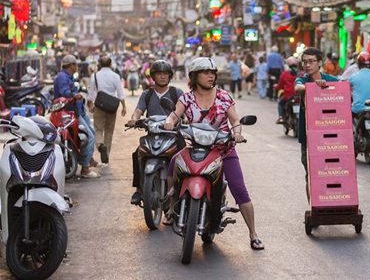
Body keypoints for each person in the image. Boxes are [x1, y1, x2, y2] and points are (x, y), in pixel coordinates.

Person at [163, 57, 264, 250]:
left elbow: (235, 120)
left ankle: (253, 234)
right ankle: (170, 207)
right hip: (195, 150)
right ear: (194, 76)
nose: (211, 76)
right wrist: (169, 121)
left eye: (212, 73)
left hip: (224, 151)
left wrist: (237, 134)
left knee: (240, 190)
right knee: (173, 164)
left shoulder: (224, 96)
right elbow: (175, 114)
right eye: (205, 72)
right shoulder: (187, 97)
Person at [126, 60, 183, 205]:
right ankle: (139, 189)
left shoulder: (176, 93)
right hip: (153, 135)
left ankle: (183, 190)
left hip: (174, 135)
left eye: (165, 74)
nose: (162, 77)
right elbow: (138, 110)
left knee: (184, 158)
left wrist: (185, 121)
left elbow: (184, 112)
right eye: (159, 74)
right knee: (138, 154)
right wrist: (134, 119)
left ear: (170, 76)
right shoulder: (147, 94)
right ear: (153, 76)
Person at [295, 48, 339, 197]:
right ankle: (314, 207)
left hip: (330, 137)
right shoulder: (303, 80)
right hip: (307, 138)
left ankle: (330, 202)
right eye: (304, 62)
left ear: (319, 63)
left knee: (331, 173)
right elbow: (297, 87)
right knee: (311, 175)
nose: (307, 65)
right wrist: (314, 87)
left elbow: (342, 91)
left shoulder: (332, 80)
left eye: (311, 61)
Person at [54, 55, 100, 179]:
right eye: (76, 65)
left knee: (92, 132)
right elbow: (65, 93)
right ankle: (85, 168)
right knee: (89, 137)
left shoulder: (67, 76)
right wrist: (75, 95)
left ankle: (88, 158)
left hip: (78, 110)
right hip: (69, 112)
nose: (77, 67)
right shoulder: (62, 77)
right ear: (71, 65)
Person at [87, 54, 127, 166]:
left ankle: (100, 145)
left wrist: (90, 104)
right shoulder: (115, 76)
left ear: (99, 64)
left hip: (99, 105)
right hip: (112, 107)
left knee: (98, 129)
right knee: (109, 131)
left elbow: (91, 93)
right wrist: (123, 106)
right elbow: (120, 92)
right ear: (110, 64)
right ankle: (107, 156)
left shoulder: (95, 75)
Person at [275, 56, 299, 124]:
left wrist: (276, 87)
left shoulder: (285, 74)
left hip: (288, 96)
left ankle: (280, 117)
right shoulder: (301, 74)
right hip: (299, 96)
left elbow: (280, 85)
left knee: (280, 104)